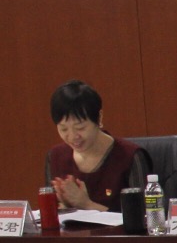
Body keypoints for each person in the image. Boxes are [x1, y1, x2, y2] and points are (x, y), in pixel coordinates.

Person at [45, 81, 148, 212]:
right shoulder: (55, 157)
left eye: (80, 128)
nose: (72, 137)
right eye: (64, 129)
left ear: (99, 118)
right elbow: (51, 214)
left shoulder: (130, 157)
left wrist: (87, 204)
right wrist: (64, 207)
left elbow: (144, 217)